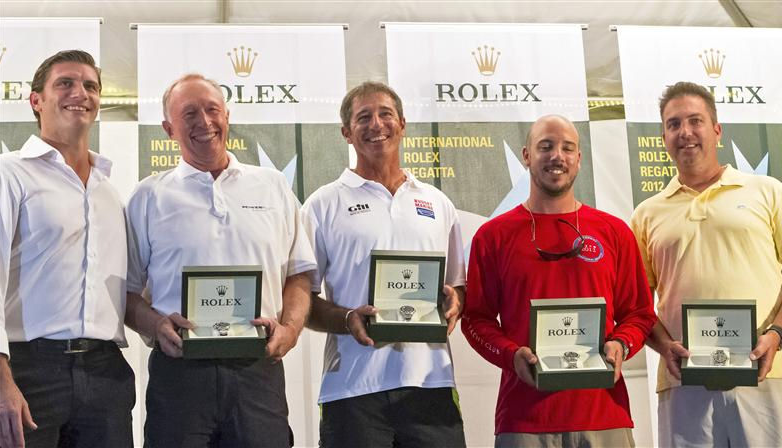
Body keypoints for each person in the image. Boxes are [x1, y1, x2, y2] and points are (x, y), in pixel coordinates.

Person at [124, 73, 316, 448]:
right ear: (169, 128)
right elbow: (126, 293)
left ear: (227, 116)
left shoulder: (273, 185)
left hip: (257, 370)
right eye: (189, 113)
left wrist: (290, 330)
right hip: (178, 373)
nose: (204, 122)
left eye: (213, 109)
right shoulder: (148, 196)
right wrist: (156, 324)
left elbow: (299, 274)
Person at [462, 114, 656, 447]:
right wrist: (510, 355)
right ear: (526, 156)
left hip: (604, 414)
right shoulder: (493, 236)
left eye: (568, 148)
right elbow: (475, 320)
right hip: (523, 417)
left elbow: (640, 313)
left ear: (579, 159)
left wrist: (621, 345)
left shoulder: (614, 232)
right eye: (546, 147)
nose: (557, 156)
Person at [631, 81, 782, 447]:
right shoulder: (646, 214)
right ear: (663, 137)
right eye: (674, 124)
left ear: (717, 130)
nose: (685, 132)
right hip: (684, 381)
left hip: (766, 375)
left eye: (696, 121)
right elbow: (636, 303)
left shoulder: (768, 192)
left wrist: (777, 336)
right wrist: (664, 347)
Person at [300, 81, 467, 447]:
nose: (376, 124)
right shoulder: (321, 205)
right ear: (346, 133)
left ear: (403, 124)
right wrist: (347, 319)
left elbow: (458, 286)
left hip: (430, 385)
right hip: (352, 389)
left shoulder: (438, 204)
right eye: (363, 117)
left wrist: (457, 301)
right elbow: (300, 303)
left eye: (385, 114)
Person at [0, 50, 133, 448]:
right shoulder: (8, 174)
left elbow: (124, 290)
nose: (81, 93)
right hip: (28, 371)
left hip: (106, 371)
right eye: (66, 83)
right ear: (36, 101)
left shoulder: (110, 192)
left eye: (91, 86)